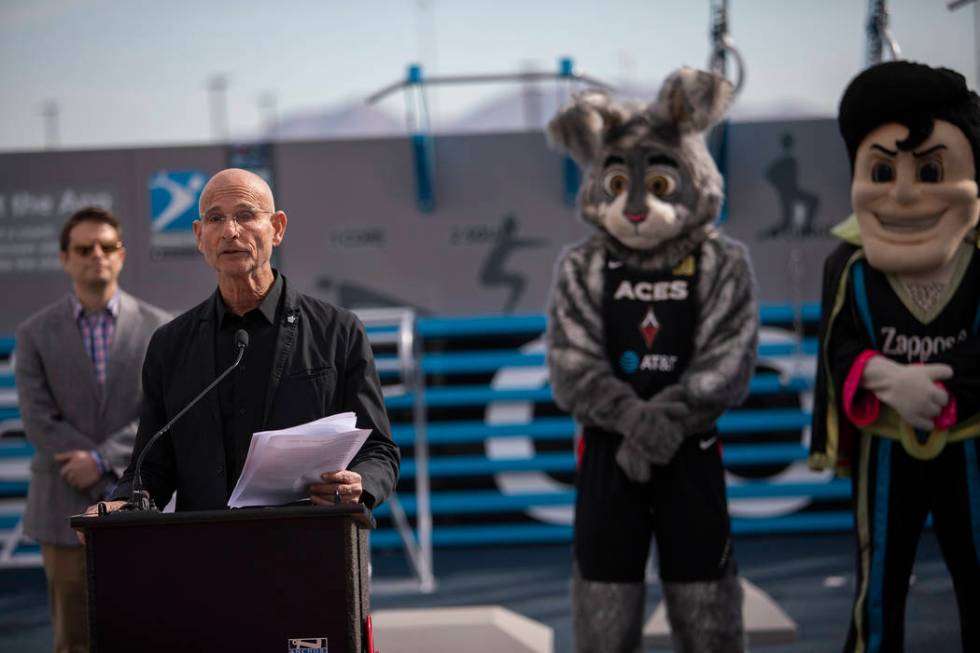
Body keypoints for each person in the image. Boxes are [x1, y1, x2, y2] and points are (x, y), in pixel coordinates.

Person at [545, 68, 757, 652]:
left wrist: (664, 421)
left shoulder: (722, 263)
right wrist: (634, 422)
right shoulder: (582, 266)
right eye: (617, 185)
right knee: (604, 600)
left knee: (706, 598)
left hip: (694, 453)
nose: (636, 207)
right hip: (608, 457)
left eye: (659, 186)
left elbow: (729, 359)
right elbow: (571, 363)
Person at [93, 168, 399, 514]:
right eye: (215, 219)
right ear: (199, 235)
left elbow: (379, 451)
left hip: (311, 547)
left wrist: (359, 483)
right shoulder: (170, 345)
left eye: (245, 215)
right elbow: (151, 468)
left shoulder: (338, 332)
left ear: (278, 228)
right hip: (207, 551)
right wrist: (121, 503)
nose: (230, 231)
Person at [810, 61, 980, 651]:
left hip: (972, 446)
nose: (905, 192)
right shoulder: (849, 265)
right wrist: (883, 377)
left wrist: (946, 389)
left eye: (930, 170)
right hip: (886, 447)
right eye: (883, 170)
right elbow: (839, 345)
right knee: (877, 582)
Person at [15, 207, 171, 653]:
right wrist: (83, 461)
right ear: (66, 259)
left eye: (107, 246)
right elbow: (37, 417)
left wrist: (102, 460)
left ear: (121, 256)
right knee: (74, 642)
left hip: (140, 506)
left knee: (147, 631)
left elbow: (161, 413)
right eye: (84, 248)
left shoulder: (160, 328)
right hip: (63, 507)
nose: (96, 256)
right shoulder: (34, 334)